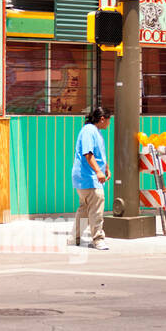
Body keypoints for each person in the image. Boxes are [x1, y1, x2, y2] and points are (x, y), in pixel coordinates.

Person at [72, 106, 111, 250]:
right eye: (108, 120)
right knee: (96, 209)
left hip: (86, 177)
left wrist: (105, 167)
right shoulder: (89, 131)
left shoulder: (95, 131)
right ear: (102, 119)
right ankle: (98, 239)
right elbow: (88, 154)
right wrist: (98, 172)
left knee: (84, 209)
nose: (109, 123)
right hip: (89, 177)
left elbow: (98, 153)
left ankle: (74, 238)